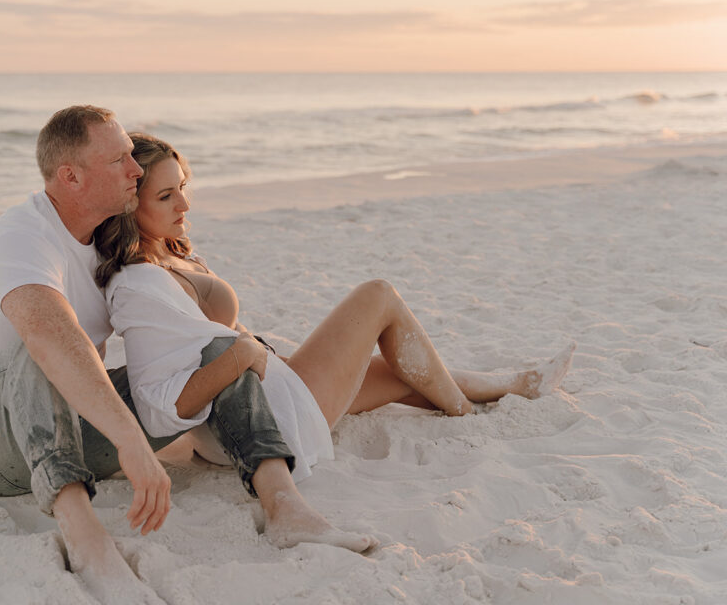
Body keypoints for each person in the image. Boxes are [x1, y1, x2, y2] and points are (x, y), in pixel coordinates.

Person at [0, 106, 355, 605]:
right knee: (37, 350)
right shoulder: (22, 237)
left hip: (66, 437)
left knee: (213, 347)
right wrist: (131, 440)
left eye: (133, 157)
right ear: (71, 177)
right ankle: (88, 543)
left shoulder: (105, 246)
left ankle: (285, 507)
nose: (136, 170)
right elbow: (48, 335)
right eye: (119, 161)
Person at [94, 133, 576, 495]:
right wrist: (244, 355)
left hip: (270, 387)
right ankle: (465, 412)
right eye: (165, 197)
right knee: (377, 296)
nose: (183, 202)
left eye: (182, 187)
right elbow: (161, 392)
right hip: (260, 420)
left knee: (400, 372)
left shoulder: (168, 252)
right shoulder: (139, 282)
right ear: (128, 207)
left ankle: (514, 385)